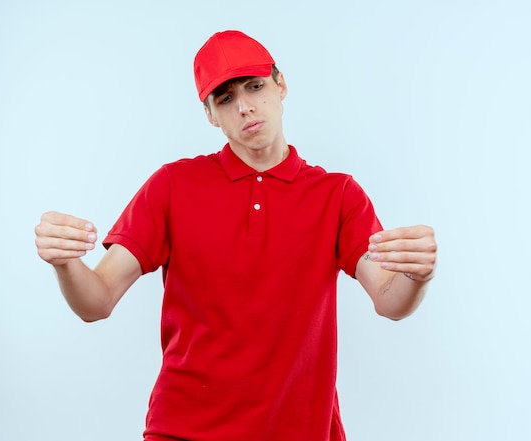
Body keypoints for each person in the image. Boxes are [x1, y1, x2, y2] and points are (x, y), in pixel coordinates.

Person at [34, 30, 437, 441]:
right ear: (210, 114)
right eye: (225, 98)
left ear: (281, 86)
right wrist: (65, 263)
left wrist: (415, 275)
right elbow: (97, 301)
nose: (245, 107)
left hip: (300, 430)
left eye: (255, 87)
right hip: (184, 429)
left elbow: (389, 301)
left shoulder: (337, 195)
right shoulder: (173, 185)